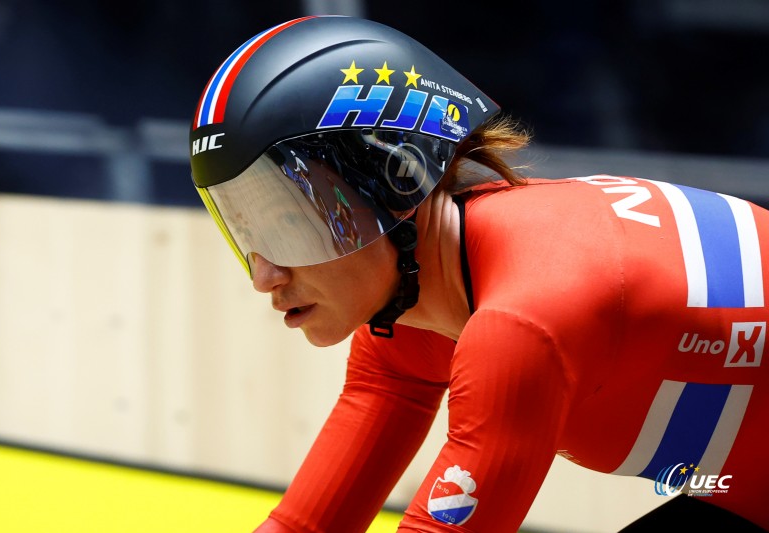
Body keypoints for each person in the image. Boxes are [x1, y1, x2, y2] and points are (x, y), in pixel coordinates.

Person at [188, 15, 768, 532]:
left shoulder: (523, 321)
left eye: (290, 227)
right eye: (245, 232)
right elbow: (305, 525)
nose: (264, 276)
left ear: (398, 182)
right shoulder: (414, 310)